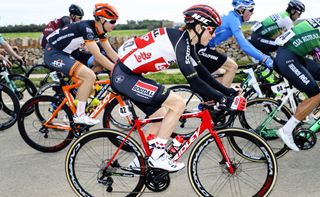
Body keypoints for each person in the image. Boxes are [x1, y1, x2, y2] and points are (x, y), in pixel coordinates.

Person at [111, 5, 247, 172]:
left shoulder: (184, 41)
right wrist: (224, 100)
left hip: (130, 75)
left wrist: (228, 92)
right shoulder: (180, 43)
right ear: (199, 27)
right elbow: (195, 82)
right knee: (177, 104)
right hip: (124, 77)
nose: (214, 35)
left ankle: (139, 163)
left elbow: (202, 73)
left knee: (160, 117)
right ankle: (158, 156)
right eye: (211, 30)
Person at [44, 3, 119, 125]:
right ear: (101, 20)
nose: (115, 24)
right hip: (54, 54)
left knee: (88, 79)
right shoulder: (87, 28)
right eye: (112, 21)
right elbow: (98, 56)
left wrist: (125, 66)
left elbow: (110, 52)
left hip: (66, 53)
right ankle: (79, 115)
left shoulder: (99, 31)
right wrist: (117, 70)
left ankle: (77, 109)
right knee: (89, 76)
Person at [196, 0, 273, 87]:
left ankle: (211, 98)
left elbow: (244, 42)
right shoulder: (234, 20)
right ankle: (225, 99)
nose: (252, 13)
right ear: (241, 9)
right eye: (251, 10)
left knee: (222, 76)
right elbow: (243, 44)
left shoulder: (232, 16)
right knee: (232, 67)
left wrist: (260, 55)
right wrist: (264, 59)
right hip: (199, 48)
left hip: (202, 48)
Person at [275, 18, 320, 152]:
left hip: (291, 55)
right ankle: (286, 130)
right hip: (288, 59)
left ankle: (307, 112)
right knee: (316, 95)